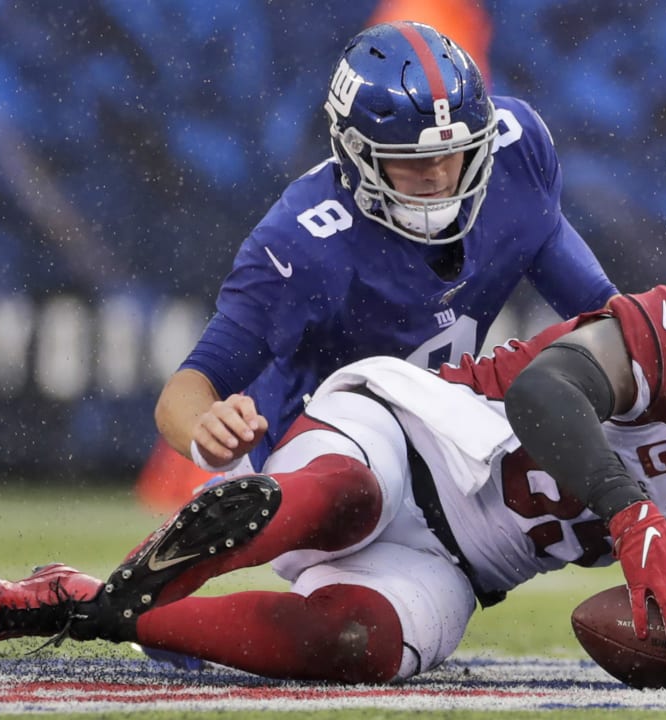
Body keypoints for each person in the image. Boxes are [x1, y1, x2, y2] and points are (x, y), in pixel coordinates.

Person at [0, 272, 666, 685]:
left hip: (464, 571)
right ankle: (161, 564)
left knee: (355, 647)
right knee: (329, 497)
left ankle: (91, 603)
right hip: (422, 432)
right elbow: (546, 396)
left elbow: (660, 629)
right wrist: (628, 518)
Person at [145, 19, 616, 505]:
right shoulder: (303, 240)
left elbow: (603, 314)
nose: (436, 175)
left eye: (451, 153)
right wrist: (209, 434)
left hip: (447, 442)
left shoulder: (515, 156)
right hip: (320, 466)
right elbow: (188, 388)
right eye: (411, 159)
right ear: (355, 153)